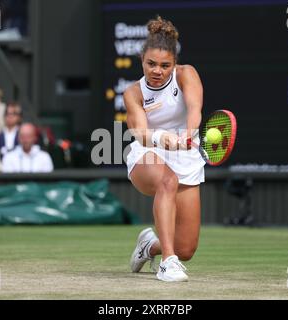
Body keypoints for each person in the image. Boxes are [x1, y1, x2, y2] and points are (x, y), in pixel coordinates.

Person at [124, 16, 206, 282]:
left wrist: (187, 134)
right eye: (151, 64)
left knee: (186, 248)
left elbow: (195, 110)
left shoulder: (187, 74)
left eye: (164, 65)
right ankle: (167, 264)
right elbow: (140, 132)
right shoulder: (133, 93)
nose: (157, 71)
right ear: (142, 61)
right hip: (146, 154)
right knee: (167, 180)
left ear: (174, 64)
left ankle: (150, 246)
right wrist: (162, 138)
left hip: (185, 155)